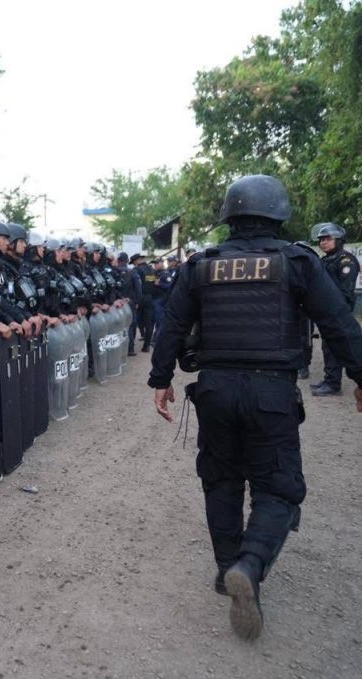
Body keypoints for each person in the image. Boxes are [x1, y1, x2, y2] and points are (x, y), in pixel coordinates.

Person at [149, 174, 362, 642]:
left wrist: (160, 379)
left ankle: (226, 567)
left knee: (221, 479)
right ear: (279, 215)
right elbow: (339, 323)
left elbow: (172, 324)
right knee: (279, 489)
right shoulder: (298, 261)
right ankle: (249, 565)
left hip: (215, 390)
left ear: (230, 217)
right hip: (272, 392)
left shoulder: (201, 265)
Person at [310, 223, 360, 396]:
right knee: (327, 346)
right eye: (321, 240)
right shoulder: (325, 260)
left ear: (338, 240)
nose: (323, 242)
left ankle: (333, 384)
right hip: (326, 311)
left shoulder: (346, 260)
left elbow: (345, 291)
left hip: (338, 311)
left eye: (327, 239)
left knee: (334, 346)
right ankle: (330, 379)